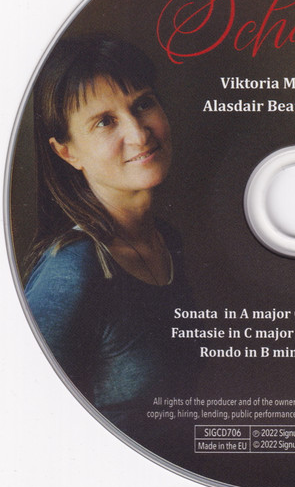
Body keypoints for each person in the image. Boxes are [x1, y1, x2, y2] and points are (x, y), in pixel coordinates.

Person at [23, 35, 196, 443]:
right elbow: (25, 427)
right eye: (105, 121)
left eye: (143, 104)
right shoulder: (73, 271)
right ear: (67, 153)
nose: (139, 133)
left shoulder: (167, 242)